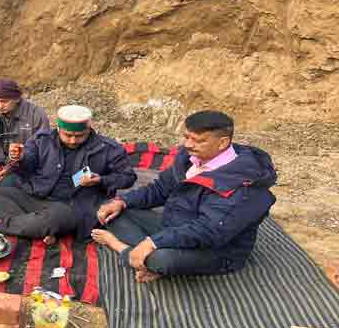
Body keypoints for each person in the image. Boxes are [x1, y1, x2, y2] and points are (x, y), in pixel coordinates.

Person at [92, 110, 277, 283]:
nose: (188, 144)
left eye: (198, 140)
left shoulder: (243, 185)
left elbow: (208, 231)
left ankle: (122, 249)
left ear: (222, 143)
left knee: (161, 259)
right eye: (187, 137)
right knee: (111, 212)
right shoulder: (189, 158)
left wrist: (155, 242)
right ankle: (142, 256)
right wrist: (122, 201)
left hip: (215, 250)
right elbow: (160, 189)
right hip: (176, 226)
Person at [0, 105, 136, 243]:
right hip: (37, 197)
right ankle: (39, 227)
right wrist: (20, 158)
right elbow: (27, 165)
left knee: (57, 217)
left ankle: (3, 224)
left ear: (89, 129)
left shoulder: (107, 148)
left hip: (73, 207)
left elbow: (128, 177)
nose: (72, 140)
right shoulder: (42, 140)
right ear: (58, 129)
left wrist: (101, 180)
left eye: (79, 136)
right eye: (68, 135)